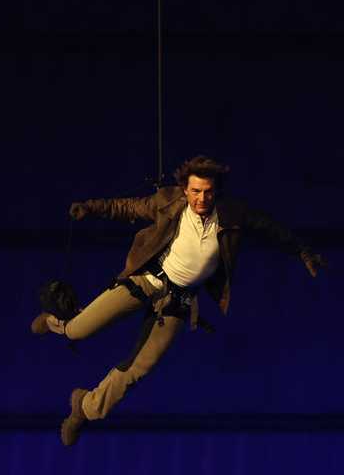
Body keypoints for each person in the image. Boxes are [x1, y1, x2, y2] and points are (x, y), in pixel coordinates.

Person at [31, 155, 326, 446]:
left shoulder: (232, 214)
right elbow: (128, 207)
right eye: (195, 191)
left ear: (216, 191)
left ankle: (85, 406)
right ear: (185, 189)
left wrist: (303, 251)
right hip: (146, 282)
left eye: (208, 192)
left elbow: (270, 228)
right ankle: (54, 322)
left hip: (178, 303)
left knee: (138, 369)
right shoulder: (169, 202)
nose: (201, 199)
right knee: (78, 330)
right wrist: (91, 207)